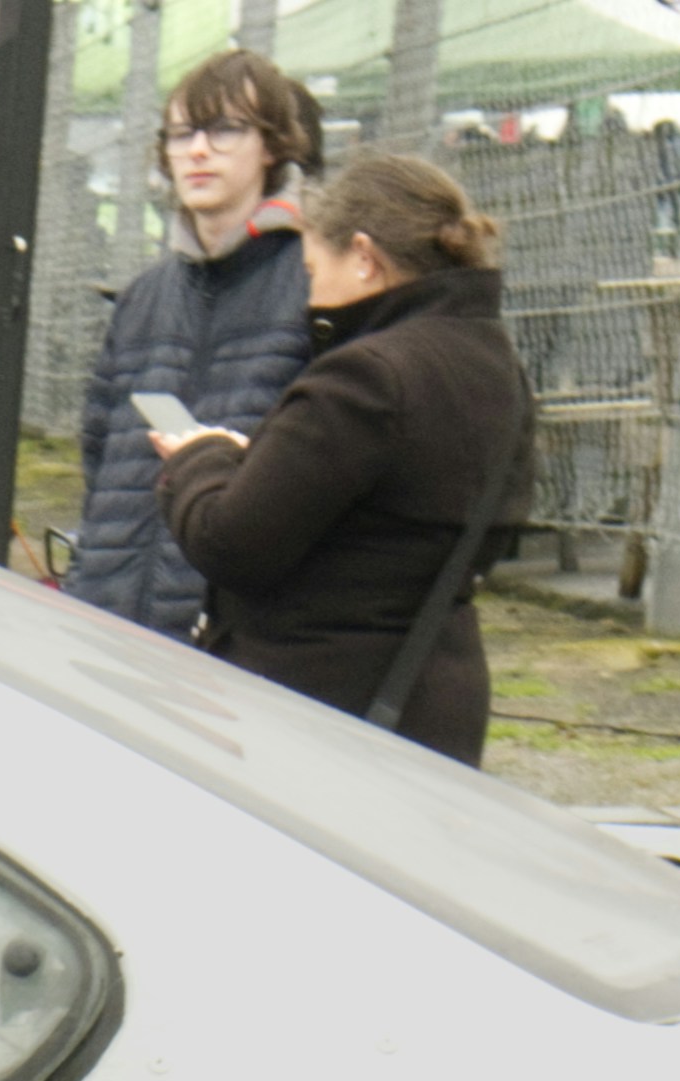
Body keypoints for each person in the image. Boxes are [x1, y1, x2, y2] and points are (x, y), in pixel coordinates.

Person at [143, 154, 525, 761]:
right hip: (435, 691)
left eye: (314, 270)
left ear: (364, 257)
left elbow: (230, 542)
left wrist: (199, 457)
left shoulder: (366, 376)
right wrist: (259, 463)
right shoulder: (495, 363)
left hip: (321, 702)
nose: (311, 295)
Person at [65, 49, 325, 641]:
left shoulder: (316, 283)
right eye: (182, 134)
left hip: (234, 635)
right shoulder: (143, 297)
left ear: (273, 145)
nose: (198, 151)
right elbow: (98, 461)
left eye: (225, 129)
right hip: (111, 620)